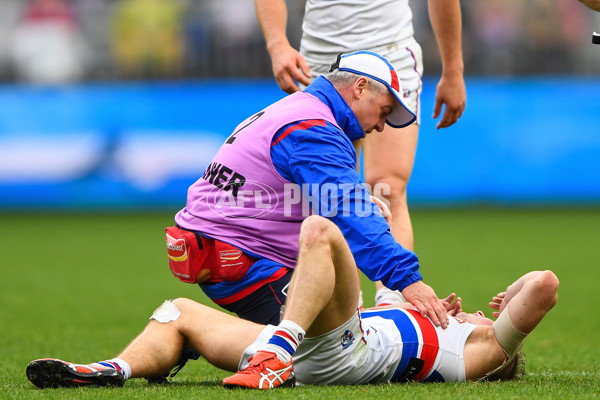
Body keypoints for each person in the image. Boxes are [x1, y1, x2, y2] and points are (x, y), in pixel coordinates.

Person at [25, 215, 559, 389]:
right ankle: (111, 370)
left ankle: (276, 351)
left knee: (320, 230)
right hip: (327, 344)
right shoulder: (428, 321)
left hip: (341, 352)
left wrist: (506, 301)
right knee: (177, 312)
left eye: (487, 318)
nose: (475, 313)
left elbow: (545, 284)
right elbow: (393, 236)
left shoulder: (480, 354)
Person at [165, 50, 448, 329]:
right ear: (360, 88)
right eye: (384, 112)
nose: (381, 126)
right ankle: (190, 326)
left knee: (335, 327)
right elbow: (349, 212)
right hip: (248, 264)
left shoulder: (299, 108)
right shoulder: (315, 128)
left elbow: (276, 189)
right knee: (335, 350)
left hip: (219, 252)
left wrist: (358, 198)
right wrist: (409, 282)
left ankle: (187, 326)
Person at [255, 0, 466, 307]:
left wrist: (454, 69)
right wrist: (277, 45)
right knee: (326, 195)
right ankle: (345, 310)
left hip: (390, 51)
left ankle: (393, 306)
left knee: (386, 187)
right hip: (321, 60)